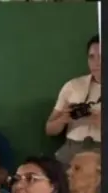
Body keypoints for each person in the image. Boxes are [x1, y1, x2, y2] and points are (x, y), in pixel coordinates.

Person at [46, 34, 101, 165]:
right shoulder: (73, 86)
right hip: (72, 149)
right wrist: (63, 119)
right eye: (91, 57)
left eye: (101, 56)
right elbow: (49, 129)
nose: (96, 63)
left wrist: (98, 121)